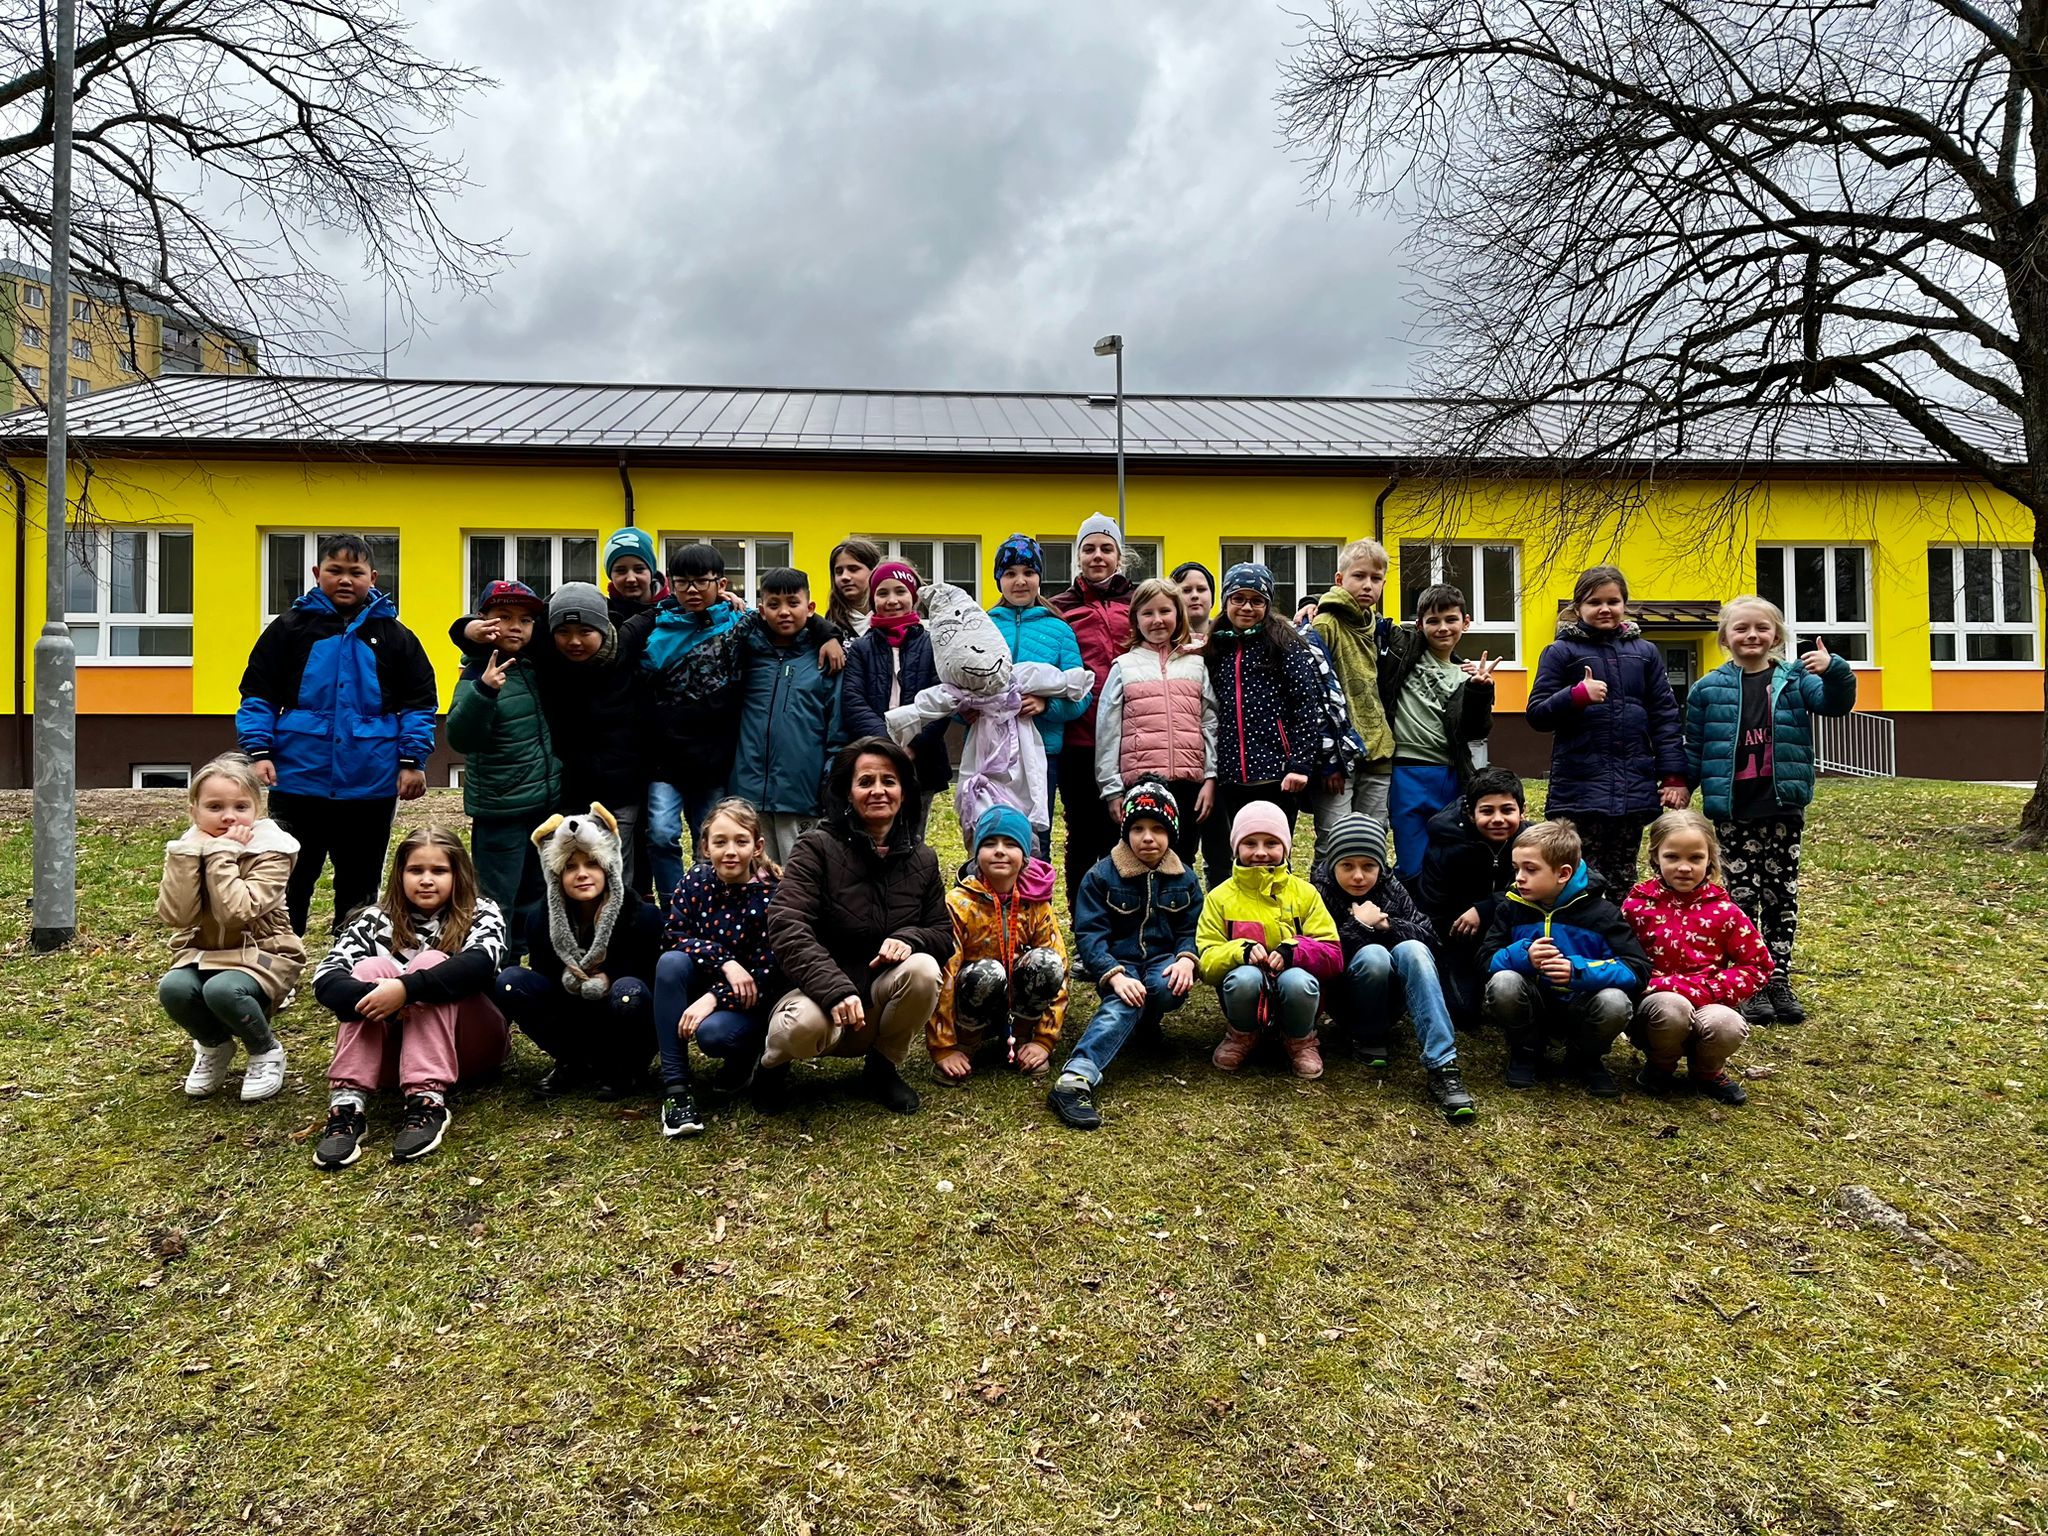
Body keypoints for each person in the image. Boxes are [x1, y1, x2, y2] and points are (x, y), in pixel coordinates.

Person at [235, 531, 434, 935]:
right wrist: (259, 752)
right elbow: (258, 694)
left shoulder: (395, 637)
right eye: (335, 570)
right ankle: (279, 957)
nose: (345, 580)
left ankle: (353, 959)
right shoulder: (289, 630)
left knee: (360, 887)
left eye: (355, 572)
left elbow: (419, 704)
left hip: (369, 786)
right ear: (317, 573)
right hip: (298, 781)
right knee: (288, 880)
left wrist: (412, 761)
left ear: (372, 577)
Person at [757, 737, 955, 1115]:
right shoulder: (814, 847)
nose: (878, 790)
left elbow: (943, 934)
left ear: (904, 792)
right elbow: (786, 924)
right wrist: (835, 990)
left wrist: (910, 938)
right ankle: (771, 1068)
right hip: (816, 994)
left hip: (876, 996)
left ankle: (882, 1068)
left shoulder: (923, 858)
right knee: (801, 1026)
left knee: (924, 969)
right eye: (865, 782)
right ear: (848, 793)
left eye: (889, 781)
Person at [1686, 595, 1857, 1025]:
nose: (1752, 635)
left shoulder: (1796, 680)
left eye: (1762, 628)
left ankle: (1778, 977)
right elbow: (1695, 747)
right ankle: (1749, 982)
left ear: (1776, 636)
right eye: (1741, 628)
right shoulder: (1707, 689)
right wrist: (1679, 785)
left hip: (1782, 806)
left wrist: (1834, 669)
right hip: (1734, 809)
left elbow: (1835, 704)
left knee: (1780, 895)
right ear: (1725, 638)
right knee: (1741, 896)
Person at [311, 829, 511, 1168]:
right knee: (370, 968)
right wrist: (379, 998)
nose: (426, 880)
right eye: (416, 870)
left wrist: (406, 990)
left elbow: (480, 964)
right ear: (400, 874)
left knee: (431, 962)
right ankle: (346, 1105)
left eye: (439, 871)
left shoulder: (481, 912)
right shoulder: (374, 920)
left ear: (458, 874)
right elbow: (325, 979)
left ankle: (427, 1101)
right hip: (390, 1060)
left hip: (471, 1048)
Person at [1049, 779, 1203, 1131]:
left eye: (1158, 829)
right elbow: (1090, 934)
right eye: (1138, 829)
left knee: (1166, 987)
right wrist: (1114, 975)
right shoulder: (1101, 876)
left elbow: (1191, 928)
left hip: (1161, 962)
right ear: (1125, 832)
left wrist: (1186, 958)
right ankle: (1075, 1077)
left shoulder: (1185, 878)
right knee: (1126, 1002)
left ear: (1172, 833)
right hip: (1121, 965)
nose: (1148, 838)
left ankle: (1145, 1025)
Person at [1526, 565, 1687, 896]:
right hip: (1579, 789)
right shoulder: (1561, 652)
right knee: (1576, 876)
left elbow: (1665, 716)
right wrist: (1575, 696)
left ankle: (1617, 928)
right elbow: (1538, 714)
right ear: (1578, 607)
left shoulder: (1645, 653)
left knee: (1622, 877)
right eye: (1594, 602)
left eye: (1613, 601)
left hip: (1632, 788)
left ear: (1624, 604)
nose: (1604, 609)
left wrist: (1673, 776)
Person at [154, 754, 304, 1103]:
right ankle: (214, 1046)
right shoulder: (189, 848)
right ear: (194, 811)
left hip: (265, 953)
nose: (228, 816)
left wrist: (222, 854)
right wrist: (186, 857)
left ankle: (264, 1051)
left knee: (222, 990)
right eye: (214, 806)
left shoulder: (272, 851)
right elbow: (177, 915)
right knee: (173, 989)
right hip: (202, 951)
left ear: (257, 810)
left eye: (241, 806)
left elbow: (237, 912)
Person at [1311, 814, 1475, 1121]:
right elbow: (1319, 956)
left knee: (1414, 949)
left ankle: (1443, 1065)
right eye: (1347, 866)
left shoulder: (1391, 888)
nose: (1358, 876)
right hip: (1346, 1001)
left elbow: (1431, 939)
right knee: (1373, 955)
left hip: (1393, 1000)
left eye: (1368, 866)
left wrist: (1388, 926)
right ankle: (1367, 1034)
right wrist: (1359, 926)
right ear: (1333, 864)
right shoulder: (1318, 893)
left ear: (1381, 866)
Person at [495, 805, 662, 1100]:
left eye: (592, 864)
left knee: (628, 992)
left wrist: (610, 977)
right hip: (571, 1010)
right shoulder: (540, 920)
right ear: (557, 874)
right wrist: (570, 976)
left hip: (624, 1012)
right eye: (571, 867)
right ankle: (571, 1061)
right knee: (511, 981)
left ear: (608, 868)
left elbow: (653, 982)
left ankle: (627, 1067)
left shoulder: (643, 916)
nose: (582, 874)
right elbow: (544, 981)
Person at [1479, 819, 1650, 1097]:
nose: (1519, 877)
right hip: (1533, 1004)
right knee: (1504, 982)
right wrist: (1522, 956)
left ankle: (1586, 1057)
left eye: (1530, 869)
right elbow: (1485, 960)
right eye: (1516, 868)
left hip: (1582, 1006)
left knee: (1615, 1001)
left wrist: (1578, 971)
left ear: (1563, 873)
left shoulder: (1603, 914)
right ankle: (1526, 1051)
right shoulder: (1511, 908)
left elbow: (1636, 969)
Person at [653, 800, 785, 1136]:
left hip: (753, 1001)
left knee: (713, 1035)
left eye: (741, 842)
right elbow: (673, 936)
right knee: (671, 963)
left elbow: (770, 972)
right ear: (705, 846)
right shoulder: (696, 880)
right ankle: (676, 1090)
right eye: (720, 842)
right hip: (706, 982)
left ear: (757, 847)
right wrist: (724, 961)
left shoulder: (773, 896)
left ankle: (747, 1057)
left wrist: (714, 998)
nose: (730, 852)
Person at [1621, 810, 1771, 1105]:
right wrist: (1653, 985)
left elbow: (1757, 965)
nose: (1684, 867)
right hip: (1656, 1007)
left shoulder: (1725, 912)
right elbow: (1620, 956)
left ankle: (1707, 1071)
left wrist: (1709, 989)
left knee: (1727, 1024)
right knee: (1672, 1006)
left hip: (1709, 1003)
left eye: (1695, 858)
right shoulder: (1637, 907)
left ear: (1710, 859)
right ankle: (1661, 1064)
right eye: (1672, 857)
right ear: (1655, 857)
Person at [1197, 800, 1344, 1079]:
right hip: (1247, 992)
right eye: (1250, 843)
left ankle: (1300, 1039)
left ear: (1286, 848)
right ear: (1235, 848)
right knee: (1244, 978)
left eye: (1271, 843)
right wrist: (1239, 951)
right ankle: (1242, 1034)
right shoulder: (1219, 898)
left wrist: (1294, 951)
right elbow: (1207, 961)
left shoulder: (1306, 894)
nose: (1261, 852)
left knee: (1297, 981)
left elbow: (1333, 954)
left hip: (1295, 991)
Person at [1201, 562, 1324, 887]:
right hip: (1230, 774)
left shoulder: (1283, 643)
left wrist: (1299, 764)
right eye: (1238, 598)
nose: (1247, 607)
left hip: (1275, 774)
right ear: (1226, 601)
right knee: (1234, 857)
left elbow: (1306, 705)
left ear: (1268, 604)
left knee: (1273, 855)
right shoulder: (1216, 646)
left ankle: (1279, 912)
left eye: (1256, 600)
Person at [929, 805, 1067, 1083]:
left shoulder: (1036, 904)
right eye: (990, 843)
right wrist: (943, 1047)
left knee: (1048, 962)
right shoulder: (958, 904)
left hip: (1017, 1002)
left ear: (1025, 857)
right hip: (971, 1002)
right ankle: (966, 1044)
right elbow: (944, 974)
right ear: (976, 853)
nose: (1000, 851)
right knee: (987, 972)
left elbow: (1060, 969)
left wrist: (1045, 1040)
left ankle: (1023, 1039)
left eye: (1011, 844)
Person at [446, 579, 559, 916]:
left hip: (541, 806)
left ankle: (523, 952)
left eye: (525, 620)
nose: (516, 627)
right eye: (505, 617)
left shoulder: (530, 665)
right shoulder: (477, 673)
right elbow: (461, 738)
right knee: (497, 902)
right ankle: (496, 952)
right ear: (483, 622)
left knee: (535, 896)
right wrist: (484, 691)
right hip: (500, 812)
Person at [1378, 582, 1498, 881]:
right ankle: (1412, 907)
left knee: (1449, 860)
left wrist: (1480, 691)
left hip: (1449, 773)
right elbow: (1362, 614)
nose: (1442, 628)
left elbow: (1475, 729)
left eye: (1450, 619)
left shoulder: (1468, 676)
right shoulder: (1404, 651)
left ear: (1465, 623)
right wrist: (1311, 602)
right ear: (1419, 625)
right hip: (1406, 770)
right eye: (1433, 621)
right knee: (1412, 862)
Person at [1048, 513, 1137, 911]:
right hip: (1079, 737)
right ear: (1078, 556)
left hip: (1133, 737)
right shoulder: (1058, 607)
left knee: (1126, 831)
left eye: (1106, 548)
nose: (1097, 556)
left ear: (1120, 556)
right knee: (1084, 833)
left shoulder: (1139, 601)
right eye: (1089, 549)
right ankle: (1085, 920)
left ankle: (1125, 917)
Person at [1093, 577, 1215, 866]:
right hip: (1140, 785)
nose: (1157, 620)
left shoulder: (1196, 664)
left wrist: (1210, 778)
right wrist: (1112, 789)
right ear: (1135, 620)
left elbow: (1210, 722)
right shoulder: (1124, 667)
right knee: (1138, 861)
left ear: (1179, 614)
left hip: (1188, 784)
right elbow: (1107, 731)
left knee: (1182, 860)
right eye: (1148, 613)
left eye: (1165, 611)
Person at [729, 566, 845, 863]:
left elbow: (837, 728)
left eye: (793, 603)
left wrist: (829, 783)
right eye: (774, 604)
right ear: (761, 610)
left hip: (801, 794)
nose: (784, 612)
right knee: (756, 875)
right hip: (748, 793)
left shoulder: (824, 658)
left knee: (800, 874)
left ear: (810, 608)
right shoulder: (746, 655)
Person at [987, 534, 1091, 857]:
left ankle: (1034, 889)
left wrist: (1047, 706)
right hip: (990, 751)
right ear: (999, 579)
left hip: (1042, 753)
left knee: (1035, 838)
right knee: (989, 832)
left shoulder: (1059, 630)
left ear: (1039, 578)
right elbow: (961, 685)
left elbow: (1081, 694)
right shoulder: (983, 627)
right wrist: (966, 714)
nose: (1020, 581)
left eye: (1029, 572)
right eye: (1010, 573)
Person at [841, 561, 949, 845]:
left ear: (914, 597)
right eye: (882, 593)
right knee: (872, 837)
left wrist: (913, 746)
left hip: (921, 760)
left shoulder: (933, 645)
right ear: (872, 599)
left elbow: (942, 700)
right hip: (872, 758)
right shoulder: (861, 648)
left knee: (912, 837)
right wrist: (884, 746)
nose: (891, 600)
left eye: (900, 591)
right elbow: (853, 702)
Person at [1414, 767, 1527, 1029]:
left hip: (1516, 937)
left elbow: (1581, 880)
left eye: (1507, 810)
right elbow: (1431, 907)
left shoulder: (1534, 842)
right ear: (1470, 813)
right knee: (1463, 1014)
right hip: (1461, 942)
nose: (1498, 819)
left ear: (1522, 811)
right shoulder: (1445, 846)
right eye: (1487, 811)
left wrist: (1485, 908)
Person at [1307, 537, 1398, 834]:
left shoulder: (1379, 627)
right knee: (1334, 839)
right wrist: (1328, 761)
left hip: (1378, 752)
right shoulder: (1325, 624)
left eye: (1376, 578)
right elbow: (1315, 695)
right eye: (1359, 576)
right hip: (1339, 756)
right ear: (1340, 579)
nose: (1367, 585)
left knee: (1372, 838)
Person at [601, 525, 667, 626]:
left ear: (652, 571)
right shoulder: (602, 617)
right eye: (621, 570)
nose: (631, 579)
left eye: (639, 569)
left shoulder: (676, 613)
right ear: (610, 576)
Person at [826, 537, 882, 639]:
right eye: (839, 572)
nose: (844, 577)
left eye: (853, 569)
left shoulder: (893, 620)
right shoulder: (828, 626)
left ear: (874, 571)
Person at [1172, 560, 1217, 641]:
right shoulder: (1161, 642)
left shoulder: (1229, 641)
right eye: (1186, 590)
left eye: (1201, 589)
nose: (1194, 595)